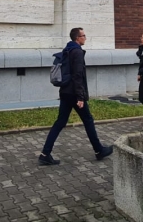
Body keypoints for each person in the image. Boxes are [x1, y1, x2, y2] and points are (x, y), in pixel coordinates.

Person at [38, 27, 114, 166]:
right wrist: (80, 97)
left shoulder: (67, 49)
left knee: (60, 122)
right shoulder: (77, 52)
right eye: (84, 35)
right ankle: (99, 150)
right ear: (77, 38)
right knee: (88, 120)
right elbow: (77, 75)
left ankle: (45, 154)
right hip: (74, 93)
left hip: (65, 91)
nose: (85, 37)